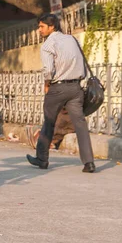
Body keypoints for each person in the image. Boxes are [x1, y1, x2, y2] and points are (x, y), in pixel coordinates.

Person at [26, 14, 95, 173]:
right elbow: (81, 62)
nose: (39, 30)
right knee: (80, 124)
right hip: (76, 88)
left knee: (49, 122)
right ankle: (89, 162)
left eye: (42, 26)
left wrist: (46, 84)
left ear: (52, 27)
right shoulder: (72, 39)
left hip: (58, 88)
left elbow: (48, 70)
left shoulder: (48, 45)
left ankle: (42, 159)